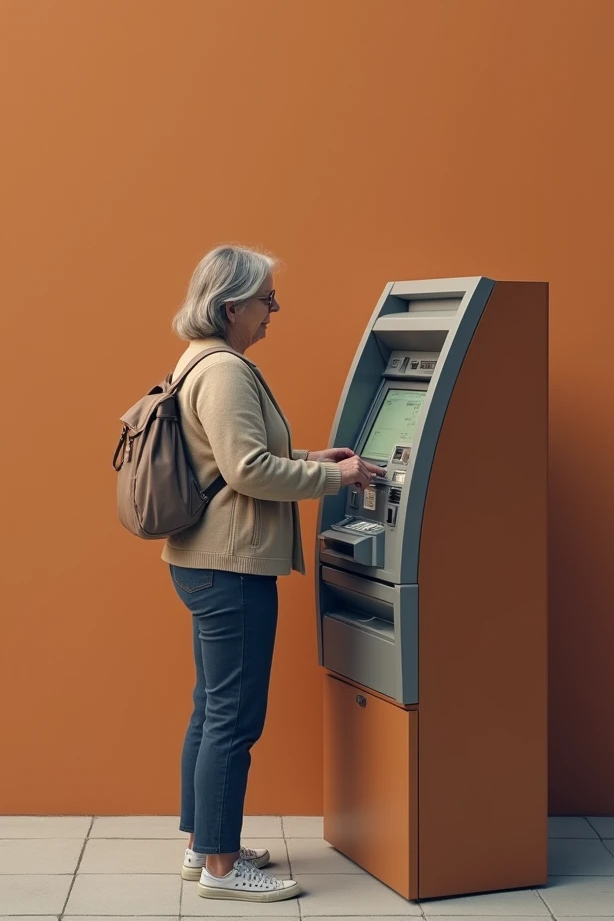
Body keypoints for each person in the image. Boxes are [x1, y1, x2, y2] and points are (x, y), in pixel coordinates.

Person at [163, 245, 384, 903]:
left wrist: (315, 456)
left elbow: (233, 456)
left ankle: (205, 844)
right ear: (232, 307)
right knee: (233, 718)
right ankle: (223, 871)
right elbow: (247, 472)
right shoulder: (225, 370)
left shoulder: (198, 361)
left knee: (211, 710)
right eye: (266, 300)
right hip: (229, 567)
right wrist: (333, 477)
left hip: (204, 562)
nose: (273, 311)